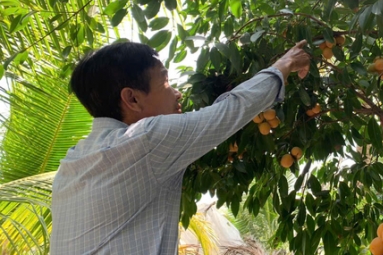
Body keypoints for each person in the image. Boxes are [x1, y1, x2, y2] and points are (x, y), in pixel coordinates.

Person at [51, 40, 311, 255]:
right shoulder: (146, 139)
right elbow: (231, 110)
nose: (177, 93)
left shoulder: (70, 164)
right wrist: (284, 64)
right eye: (165, 81)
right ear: (132, 98)